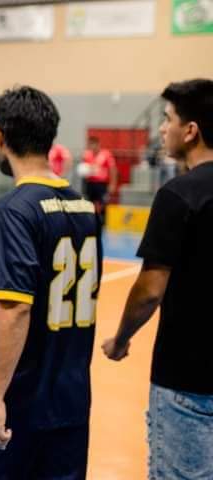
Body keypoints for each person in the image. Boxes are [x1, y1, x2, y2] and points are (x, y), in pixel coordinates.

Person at [0, 86, 102, 479]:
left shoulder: (13, 210)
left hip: (14, 399)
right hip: (69, 399)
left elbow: (14, 306)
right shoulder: (84, 207)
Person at [103, 78, 213, 480]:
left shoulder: (179, 195)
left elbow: (150, 289)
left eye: (167, 119)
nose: (161, 128)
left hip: (187, 377)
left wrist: (121, 338)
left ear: (191, 130)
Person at [81, 136, 117, 224]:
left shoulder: (106, 154)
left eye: (93, 144)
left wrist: (112, 184)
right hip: (90, 183)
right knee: (89, 203)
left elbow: (113, 169)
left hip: (101, 184)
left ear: (98, 144)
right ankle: (90, 222)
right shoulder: (86, 155)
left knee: (102, 203)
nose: (92, 147)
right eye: (90, 145)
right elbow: (84, 169)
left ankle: (102, 223)